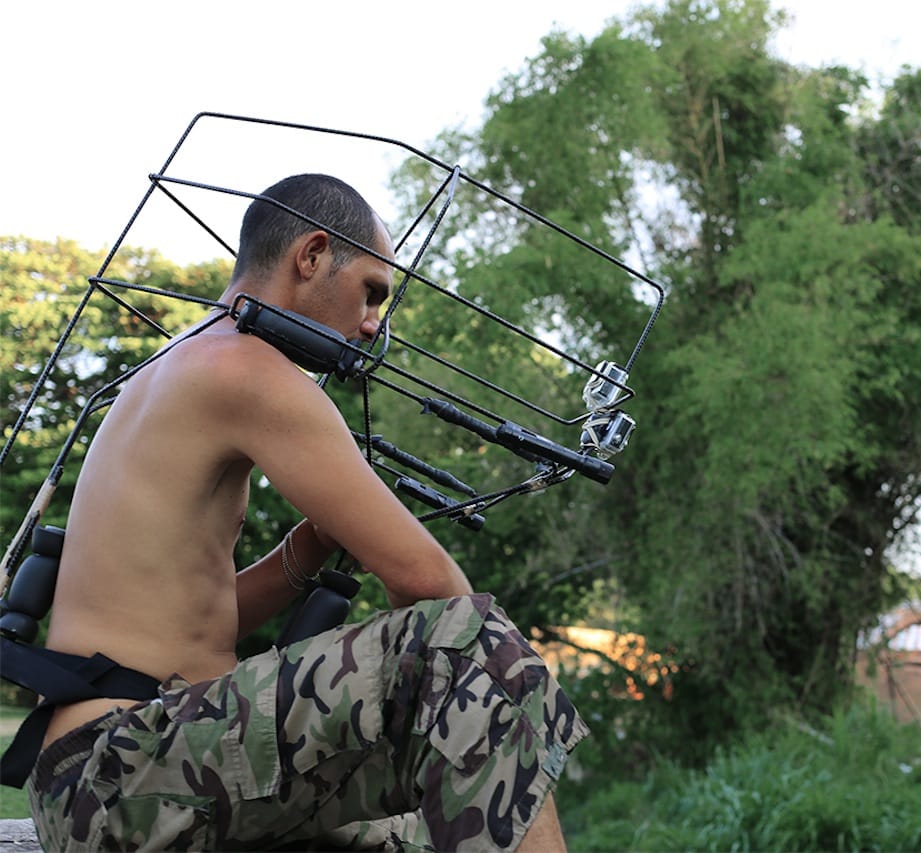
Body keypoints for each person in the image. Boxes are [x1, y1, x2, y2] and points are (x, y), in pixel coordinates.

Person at [22, 174, 589, 851]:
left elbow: (189, 615)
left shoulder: (184, 359)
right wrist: (486, 682)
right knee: (474, 649)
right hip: (120, 770)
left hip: (109, 772)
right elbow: (433, 588)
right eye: (372, 291)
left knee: (409, 838)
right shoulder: (249, 368)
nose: (374, 322)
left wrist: (305, 550)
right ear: (312, 255)